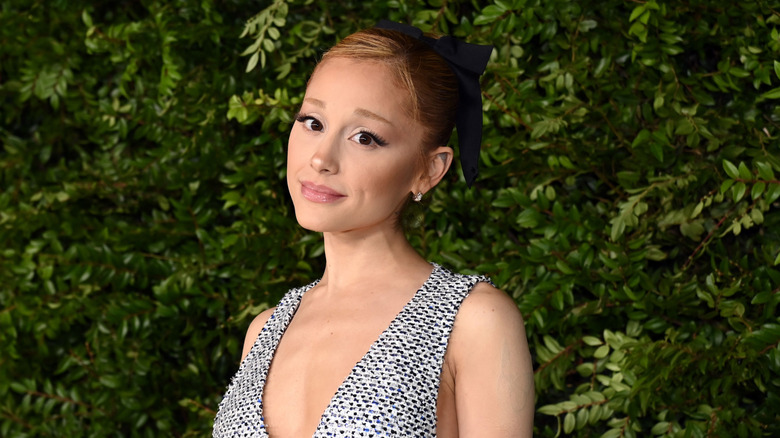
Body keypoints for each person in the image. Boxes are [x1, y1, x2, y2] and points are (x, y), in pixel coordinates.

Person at [213, 20, 534, 437]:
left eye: (365, 137)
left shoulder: (475, 322)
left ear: (429, 170)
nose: (321, 158)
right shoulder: (263, 330)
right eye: (313, 122)